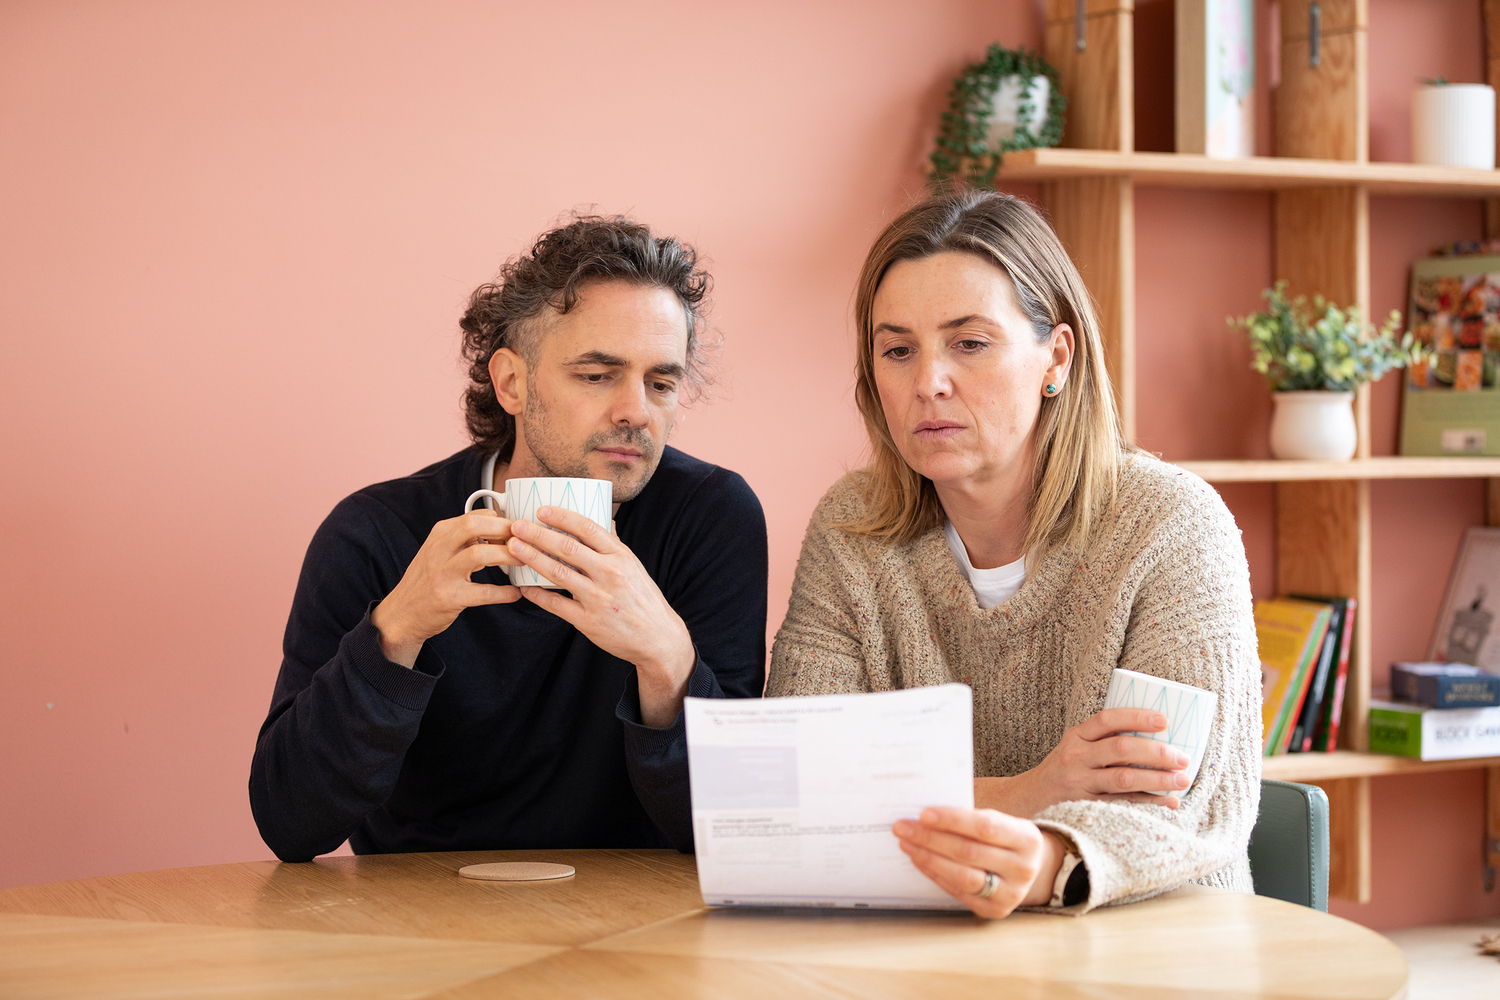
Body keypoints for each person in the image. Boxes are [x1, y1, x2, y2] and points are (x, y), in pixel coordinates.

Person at [767, 190, 1261, 917]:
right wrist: (1032, 792)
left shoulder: (1171, 527)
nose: (928, 383)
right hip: (916, 940)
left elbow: (1171, 808)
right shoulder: (852, 531)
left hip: (1151, 942)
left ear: (1056, 358)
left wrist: (1043, 861)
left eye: (969, 343)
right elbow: (798, 790)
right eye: (898, 350)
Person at [251, 215, 767, 861]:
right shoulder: (376, 532)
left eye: (661, 383)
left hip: (639, 910)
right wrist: (396, 632)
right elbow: (290, 824)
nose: (637, 411)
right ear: (511, 383)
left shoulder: (708, 519)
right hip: (418, 909)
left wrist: (666, 661)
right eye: (596, 375)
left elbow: (737, 830)